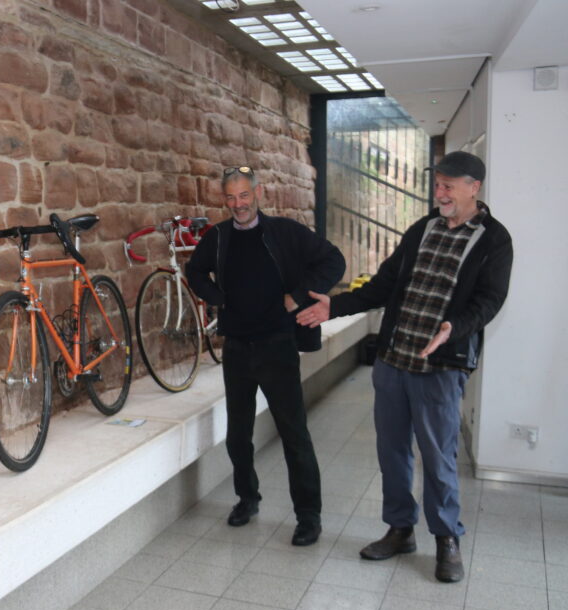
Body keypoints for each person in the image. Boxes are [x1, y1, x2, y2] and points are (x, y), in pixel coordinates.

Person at [297, 151, 513, 582]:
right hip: (394, 359)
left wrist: (455, 327)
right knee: (391, 450)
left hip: (441, 365)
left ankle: (446, 538)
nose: (441, 192)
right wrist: (334, 306)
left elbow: (489, 300)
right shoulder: (423, 229)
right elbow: (384, 284)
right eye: (438, 184)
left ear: (475, 187)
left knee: (438, 456)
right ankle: (399, 529)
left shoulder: (494, 239)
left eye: (449, 186)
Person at [185, 166, 345, 546]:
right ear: (224, 200)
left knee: (294, 433)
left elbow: (333, 260)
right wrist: (218, 299)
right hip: (238, 348)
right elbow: (194, 271)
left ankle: (308, 516)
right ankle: (247, 498)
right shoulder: (219, 237)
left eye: (244, 196)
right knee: (238, 435)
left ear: (259, 194)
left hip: (278, 345)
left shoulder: (285, 232)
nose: (238, 204)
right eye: (230, 197)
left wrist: (301, 295)